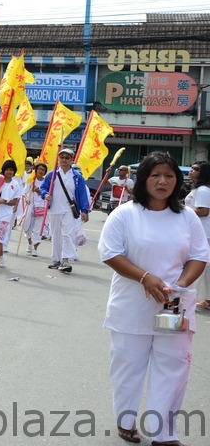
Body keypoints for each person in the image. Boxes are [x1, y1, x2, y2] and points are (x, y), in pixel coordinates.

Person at [99, 152, 208, 446]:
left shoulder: (186, 216)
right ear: (143, 179)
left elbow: (199, 255)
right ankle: (126, 421)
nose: (162, 181)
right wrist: (145, 277)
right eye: (155, 175)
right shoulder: (124, 214)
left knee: (173, 368)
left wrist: (180, 286)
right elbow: (110, 253)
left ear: (178, 181)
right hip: (131, 308)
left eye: (169, 176)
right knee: (127, 367)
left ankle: (163, 433)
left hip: (174, 307)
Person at [39, 148, 91, 274]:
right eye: (62, 157)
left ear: (71, 160)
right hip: (55, 209)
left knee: (67, 234)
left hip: (69, 210)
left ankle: (65, 260)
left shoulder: (77, 177)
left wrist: (85, 210)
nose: (64, 160)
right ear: (58, 159)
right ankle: (56, 259)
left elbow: (82, 194)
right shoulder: (52, 175)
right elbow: (43, 188)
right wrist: (45, 195)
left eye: (67, 158)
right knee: (55, 235)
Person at [183, 161, 210, 312]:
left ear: (203, 173)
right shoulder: (200, 189)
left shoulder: (204, 190)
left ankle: (190, 298)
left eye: (196, 169)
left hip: (203, 233)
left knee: (197, 265)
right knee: (206, 269)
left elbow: (203, 211)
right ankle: (206, 299)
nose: (191, 170)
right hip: (202, 232)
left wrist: (182, 210)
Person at [0, 160, 22, 272]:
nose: (9, 172)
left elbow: (14, 201)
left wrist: (2, 202)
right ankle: (1, 258)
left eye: (11, 170)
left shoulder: (15, 184)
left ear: (14, 171)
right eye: (7, 169)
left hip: (5, 216)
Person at [23, 163, 49, 257]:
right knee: (27, 226)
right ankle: (30, 242)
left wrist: (40, 192)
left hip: (42, 207)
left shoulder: (47, 182)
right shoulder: (31, 180)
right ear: (36, 170)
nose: (41, 171)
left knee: (38, 229)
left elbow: (49, 194)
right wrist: (27, 198)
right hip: (31, 206)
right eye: (39, 169)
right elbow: (24, 192)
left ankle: (35, 248)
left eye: (43, 169)